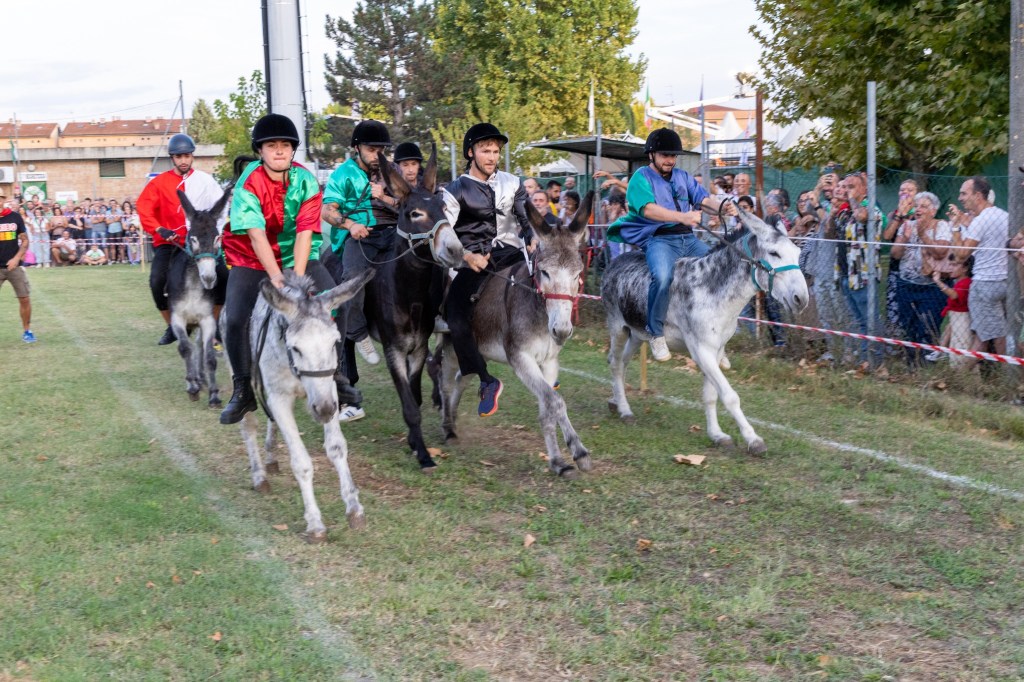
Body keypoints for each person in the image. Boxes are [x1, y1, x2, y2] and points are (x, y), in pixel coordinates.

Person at [219, 114, 355, 424]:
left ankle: (337, 374)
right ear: (260, 150)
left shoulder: (306, 180)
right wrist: (277, 279)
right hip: (253, 257)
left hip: (298, 255)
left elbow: (306, 232)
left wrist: (296, 277)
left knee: (340, 305)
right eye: (271, 145)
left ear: (293, 149)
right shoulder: (248, 182)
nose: (279, 150)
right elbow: (256, 235)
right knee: (236, 316)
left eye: (284, 145)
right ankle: (242, 388)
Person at [606, 128, 734, 361]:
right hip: (660, 240)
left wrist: (722, 207)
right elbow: (648, 209)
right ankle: (656, 333)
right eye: (665, 155)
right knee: (663, 277)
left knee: (720, 269)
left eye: (673, 155)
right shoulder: (640, 178)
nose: (670, 160)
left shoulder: (683, 176)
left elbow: (704, 200)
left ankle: (717, 339)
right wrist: (683, 217)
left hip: (689, 239)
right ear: (651, 155)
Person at [441, 122, 533, 416]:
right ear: (471, 152)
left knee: (542, 286)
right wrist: (467, 256)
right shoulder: (454, 190)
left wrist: (532, 237)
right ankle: (486, 380)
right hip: (474, 260)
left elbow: (526, 217)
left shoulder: (513, 182)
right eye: (485, 151)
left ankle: (545, 356)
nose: (492, 157)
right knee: (455, 315)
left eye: (495, 151)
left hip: (511, 253)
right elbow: (445, 233)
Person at [320, 120, 397, 421]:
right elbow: (328, 210)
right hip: (359, 236)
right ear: (357, 148)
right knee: (351, 283)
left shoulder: (391, 171)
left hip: (392, 232)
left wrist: (384, 197)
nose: (377, 154)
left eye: (381, 149)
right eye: (371, 149)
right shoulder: (342, 174)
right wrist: (351, 225)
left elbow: (407, 202)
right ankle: (359, 333)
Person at [136, 132, 226, 345]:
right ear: (172, 158)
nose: (183, 160)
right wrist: (160, 229)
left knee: (223, 276)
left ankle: (215, 325)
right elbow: (143, 208)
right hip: (170, 243)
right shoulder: (159, 183)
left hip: (200, 242)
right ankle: (171, 326)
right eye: (179, 157)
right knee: (157, 280)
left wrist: (215, 233)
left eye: (187, 156)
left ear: (192, 156)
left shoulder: (205, 181)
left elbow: (221, 208)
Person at [827, 173, 886, 364]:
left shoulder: (873, 210)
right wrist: (832, 214)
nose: (846, 190)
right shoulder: (844, 212)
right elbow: (829, 234)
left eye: (851, 187)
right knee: (858, 321)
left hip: (863, 276)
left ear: (864, 190)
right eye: (845, 186)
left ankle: (876, 361)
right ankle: (864, 360)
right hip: (845, 275)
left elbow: (861, 216)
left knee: (871, 321)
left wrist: (851, 199)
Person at [950, 176, 1009, 358]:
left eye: (964, 194)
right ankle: (964, 373)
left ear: (977, 195)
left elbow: (961, 255)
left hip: (985, 284)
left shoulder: (981, 220)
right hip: (1005, 281)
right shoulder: (1004, 215)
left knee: (995, 335)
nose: (960, 198)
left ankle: (1011, 372)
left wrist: (955, 229)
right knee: (984, 334)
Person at [889, 191, 951, 365]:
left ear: (933, 210)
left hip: (931, 288)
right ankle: (911, 365)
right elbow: (895, 254)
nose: (918, 209)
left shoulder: (941, 226)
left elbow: (941, 252)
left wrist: (923, 235)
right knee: (908, 328)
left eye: (923, 206)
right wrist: (905, 237)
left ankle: (927, 366)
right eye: (916, 206)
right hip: (906, 285)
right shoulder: (907, 225)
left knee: (928, 327)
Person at [0, 194, 36, 342]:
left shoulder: (15, 217)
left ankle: (27, 331)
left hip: (14, 266)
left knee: (25, 298)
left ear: (4, 199)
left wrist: (16, 258)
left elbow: (25, 241)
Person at [928, 254, 974, 367]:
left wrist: (939, 282)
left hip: (962, 318)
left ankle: (945, 354)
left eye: (954, 265)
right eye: (950, 265)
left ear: (965, 268)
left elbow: (954, 295)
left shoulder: (966, 282)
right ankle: (941, 350)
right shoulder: (958, 282)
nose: (950, 268)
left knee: (960, 343)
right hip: (955, 317)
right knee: (948, 331)